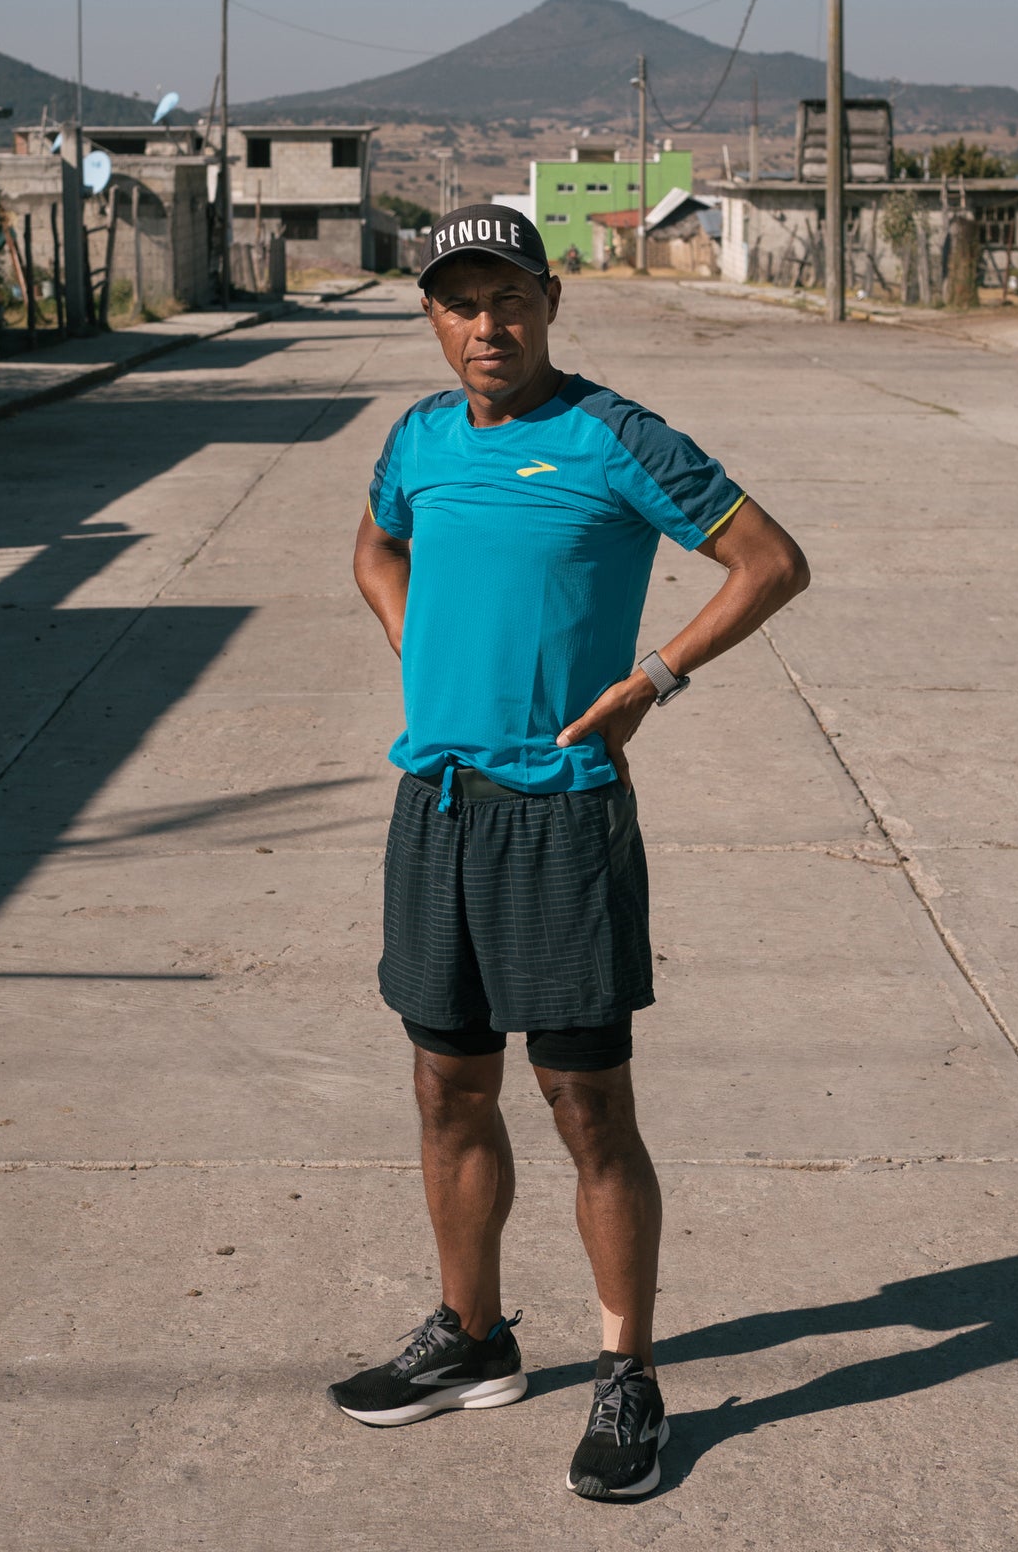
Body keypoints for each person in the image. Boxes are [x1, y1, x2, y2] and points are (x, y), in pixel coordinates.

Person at [331, 206, 809, 1501]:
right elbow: (377, 543)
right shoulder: (418, 440)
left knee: (586, 1104)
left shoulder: (615, 438)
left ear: (551, 300)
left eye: (509, 299)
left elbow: (770, 563)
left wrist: (655, 675)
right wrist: (411, 643)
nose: (487, 327)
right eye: (459, 303)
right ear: (430, 315)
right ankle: (473, 1340)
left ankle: (628, 1378)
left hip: (562, 811)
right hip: (436, 805)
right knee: (447, 1089)